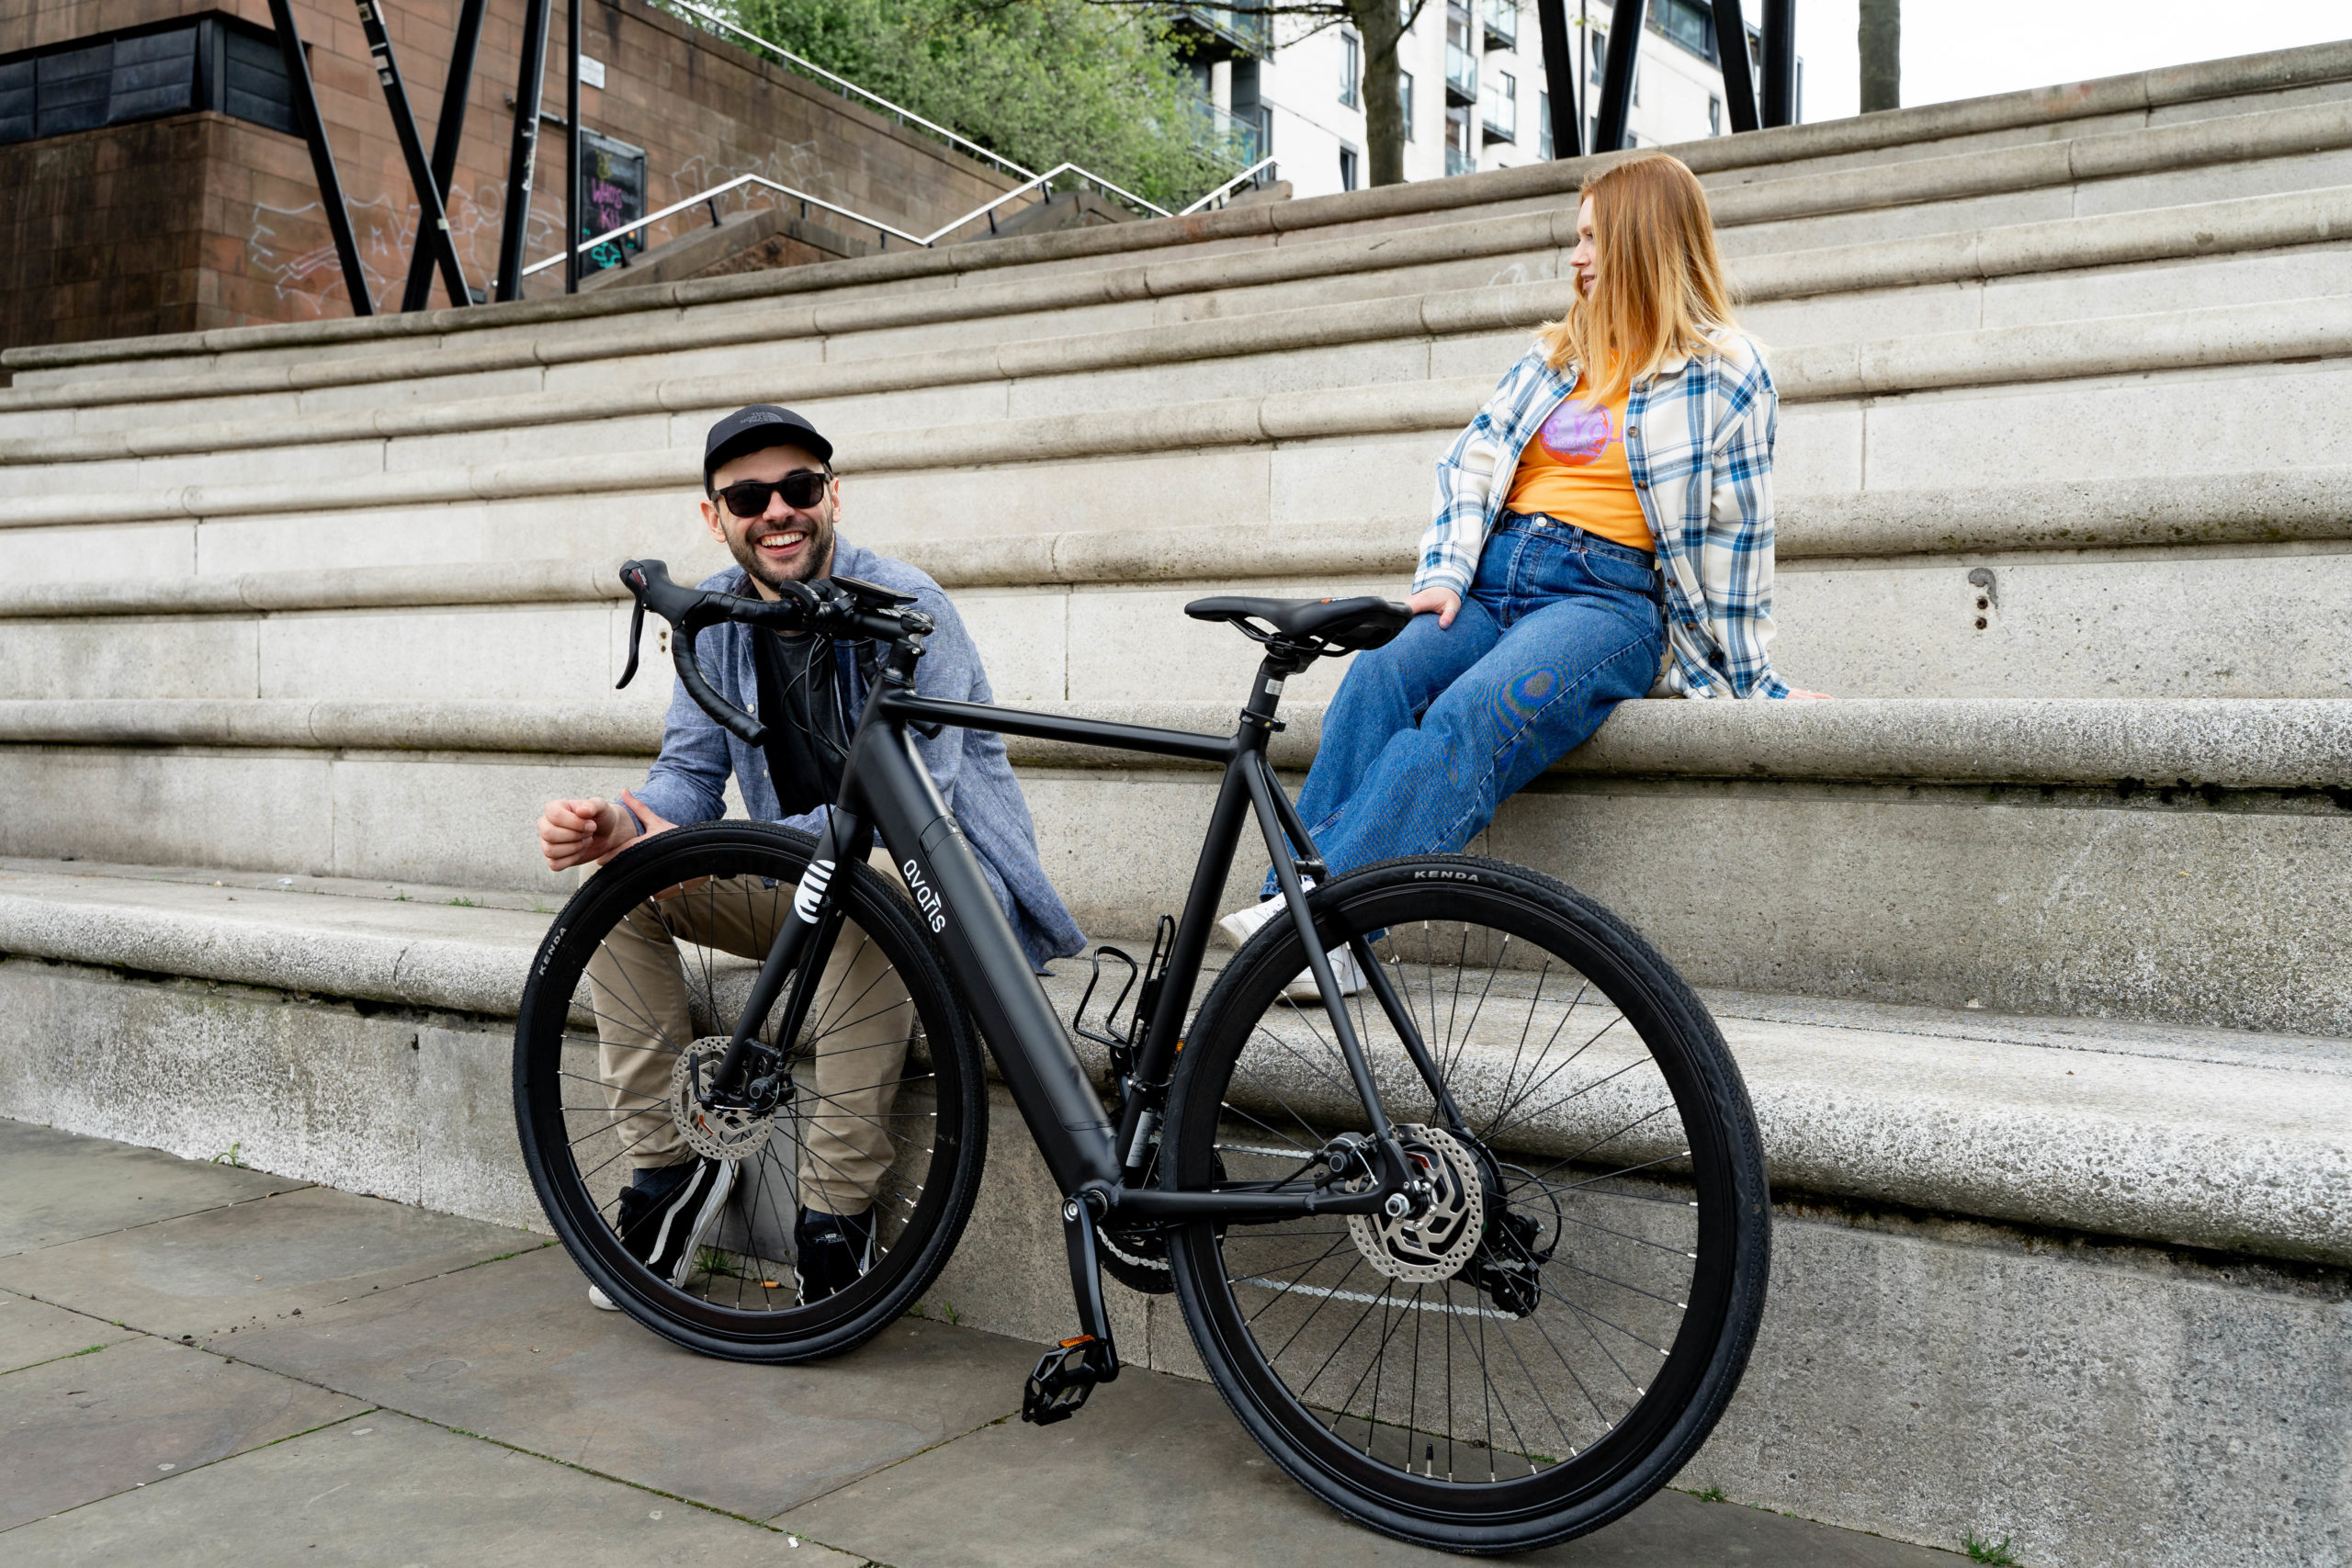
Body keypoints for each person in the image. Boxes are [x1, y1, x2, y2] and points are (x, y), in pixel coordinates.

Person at [537, 404, 1084, 1308]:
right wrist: (621, 826)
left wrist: (710, 848)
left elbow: (922, 815)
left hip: (943, 897)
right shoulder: (713, 620)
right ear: (713, 517)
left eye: (797, 488)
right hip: (800, 886)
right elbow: (686, 779)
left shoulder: (909, 611)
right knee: (620, 888)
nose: (776, 511)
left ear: (833, 495)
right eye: (748, 496)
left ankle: (833, 1217)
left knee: (865, 883)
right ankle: (669, 1181)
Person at [1223, 154, 1824, 977]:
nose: (1575, 257)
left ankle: (1299, 934)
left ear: (1644, 241)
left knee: (1470, 714)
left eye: (1591, 238)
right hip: (1492, 575)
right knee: (1376, 680)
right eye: (1575, 238)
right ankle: (1320, 937)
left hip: (1604, 600)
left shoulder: (1727, 371)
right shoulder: (1551, 359)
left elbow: (1739, 534)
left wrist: (1755, 681)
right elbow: (1469, 466)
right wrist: (1444, 572)